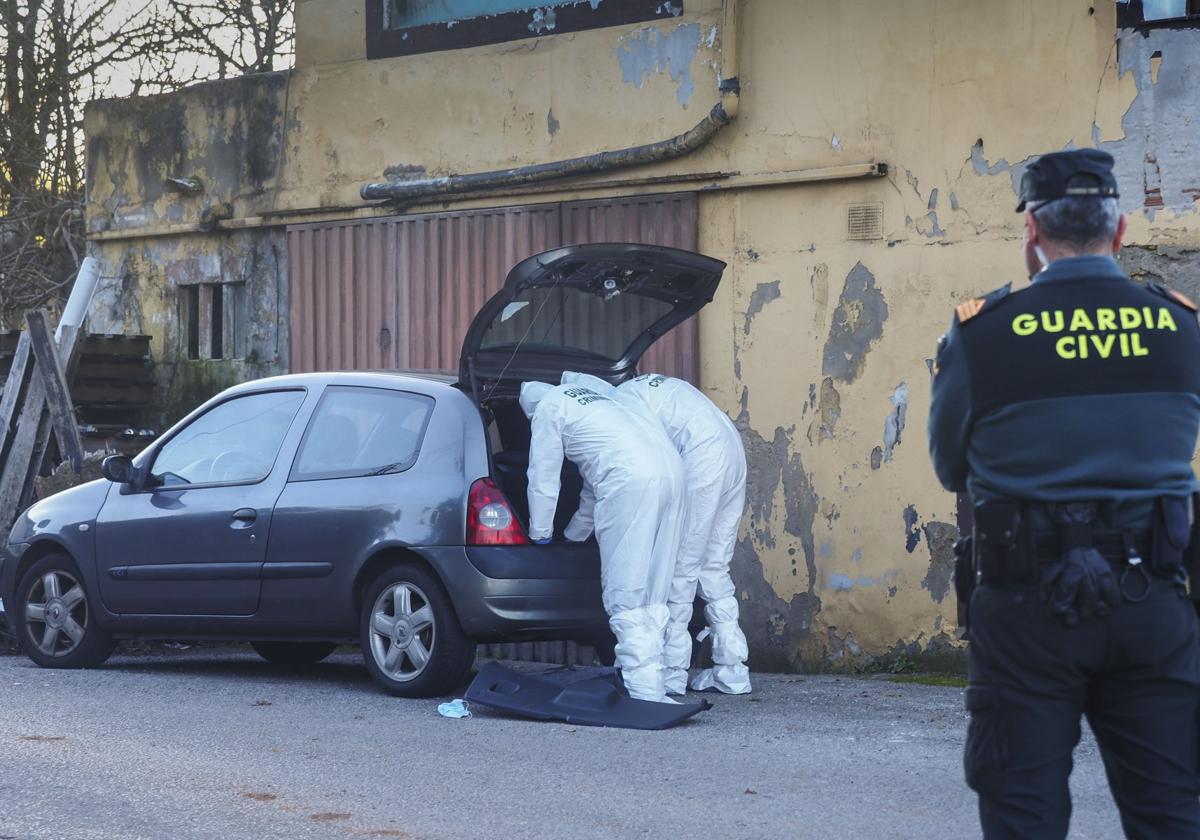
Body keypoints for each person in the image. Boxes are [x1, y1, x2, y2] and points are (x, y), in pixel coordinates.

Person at [928, 148, 1200, 839]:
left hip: (1026, 607)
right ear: (1121, 228)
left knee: (1024, 811)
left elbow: (950, 465)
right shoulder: (1180, 324)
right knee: (1171, 808)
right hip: (1155, 599)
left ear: (1032, 231)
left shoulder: (981, 333)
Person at [563, 371, 751, 695]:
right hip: (730, 444)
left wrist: (571, 537)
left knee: (680, 565)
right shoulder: (638, 389)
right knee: (713, 564)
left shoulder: (620, 410)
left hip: (701, 455)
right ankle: (732, 670)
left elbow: (607, 484)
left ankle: (671, 675)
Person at [519, 380, 687, 704]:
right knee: (655, 586)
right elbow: (591, 488)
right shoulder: (601, 402)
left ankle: (644, 693)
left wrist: (540, 535)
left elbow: (543, 478)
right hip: (673, 473)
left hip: (629, 479)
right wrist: (574, 536)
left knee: (625, 589)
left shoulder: (548, 409)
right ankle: (643, 677)